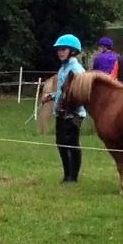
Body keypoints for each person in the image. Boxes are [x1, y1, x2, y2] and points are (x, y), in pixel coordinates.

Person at [42, 34, 86, 183]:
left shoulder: (76, 70)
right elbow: (63, 92)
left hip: (74, 114)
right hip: (61, 112)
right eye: (59, 50)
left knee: (72, 143)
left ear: (72, 51)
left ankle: (73, 177)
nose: (60, 52)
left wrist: (70, 107)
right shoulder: (63, 69)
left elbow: (79, 93)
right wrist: (52, 96)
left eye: (64, 49)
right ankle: (67, 175)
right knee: (61, 143)